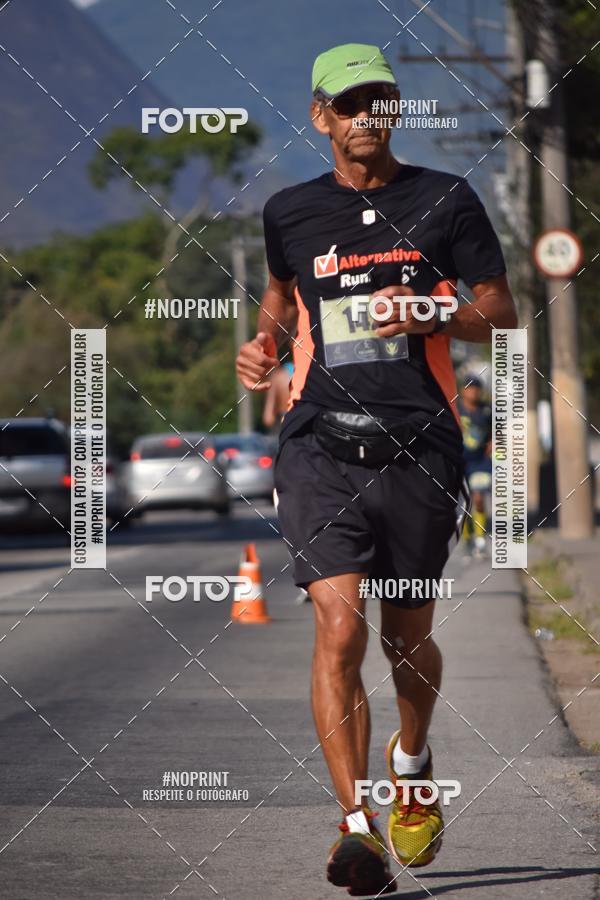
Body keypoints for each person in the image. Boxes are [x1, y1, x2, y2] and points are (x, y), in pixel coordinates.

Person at [236, 43, 517, 897]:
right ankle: (355, 826)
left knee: (407, 636)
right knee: (338, 626)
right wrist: (263, 346)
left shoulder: (446, 199)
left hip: (420, 447)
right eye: (350, 103)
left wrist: (431, 308)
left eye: (380, 100)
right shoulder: (290, 211)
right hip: (319, 444)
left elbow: (499, 311)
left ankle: (414, 765)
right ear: (320, 117)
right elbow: (281, 295)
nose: (367, 115)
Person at [458, 377, 493, 557]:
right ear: (463, 391)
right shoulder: (456, 410)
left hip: (480, 461)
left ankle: (480, 538)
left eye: (476, 389)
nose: (473, 392)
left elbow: (497, 430)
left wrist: (493, 444)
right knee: (464, 502)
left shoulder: (486, 411)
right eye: (470, 388)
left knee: (478, 497)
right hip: (460, 462)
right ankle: (466, 538)